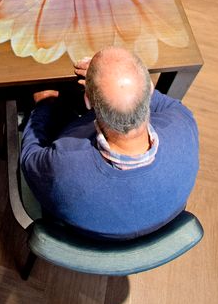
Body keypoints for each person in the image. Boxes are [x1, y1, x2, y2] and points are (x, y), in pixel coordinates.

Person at [21, 47, 199, 239]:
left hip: (80, 236)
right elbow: (168, 104)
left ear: (88, 101)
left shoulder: (64, 164)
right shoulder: (183, 125)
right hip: (152, 222)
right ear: (150, 91)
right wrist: (117, 78)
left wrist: (44, 105)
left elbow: (30, 156)